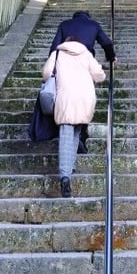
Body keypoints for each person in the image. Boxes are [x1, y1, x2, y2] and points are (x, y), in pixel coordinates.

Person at [43, 37, 106, 197]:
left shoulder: (57, 53)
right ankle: (69, 169)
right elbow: (100, 75)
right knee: (76, 132)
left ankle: (65, 177)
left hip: (66, 98)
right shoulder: (86, 54)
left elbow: (46, 74)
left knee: (65, 134)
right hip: (85, 98)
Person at [49, 10, 116, 64]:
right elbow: (106, 43)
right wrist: (111, 57)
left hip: (66, 57)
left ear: (74, 17)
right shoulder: (94, 25)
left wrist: (52, 61)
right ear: (88, 17)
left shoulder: (64, 24)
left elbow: (55, 44)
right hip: (86, 56)